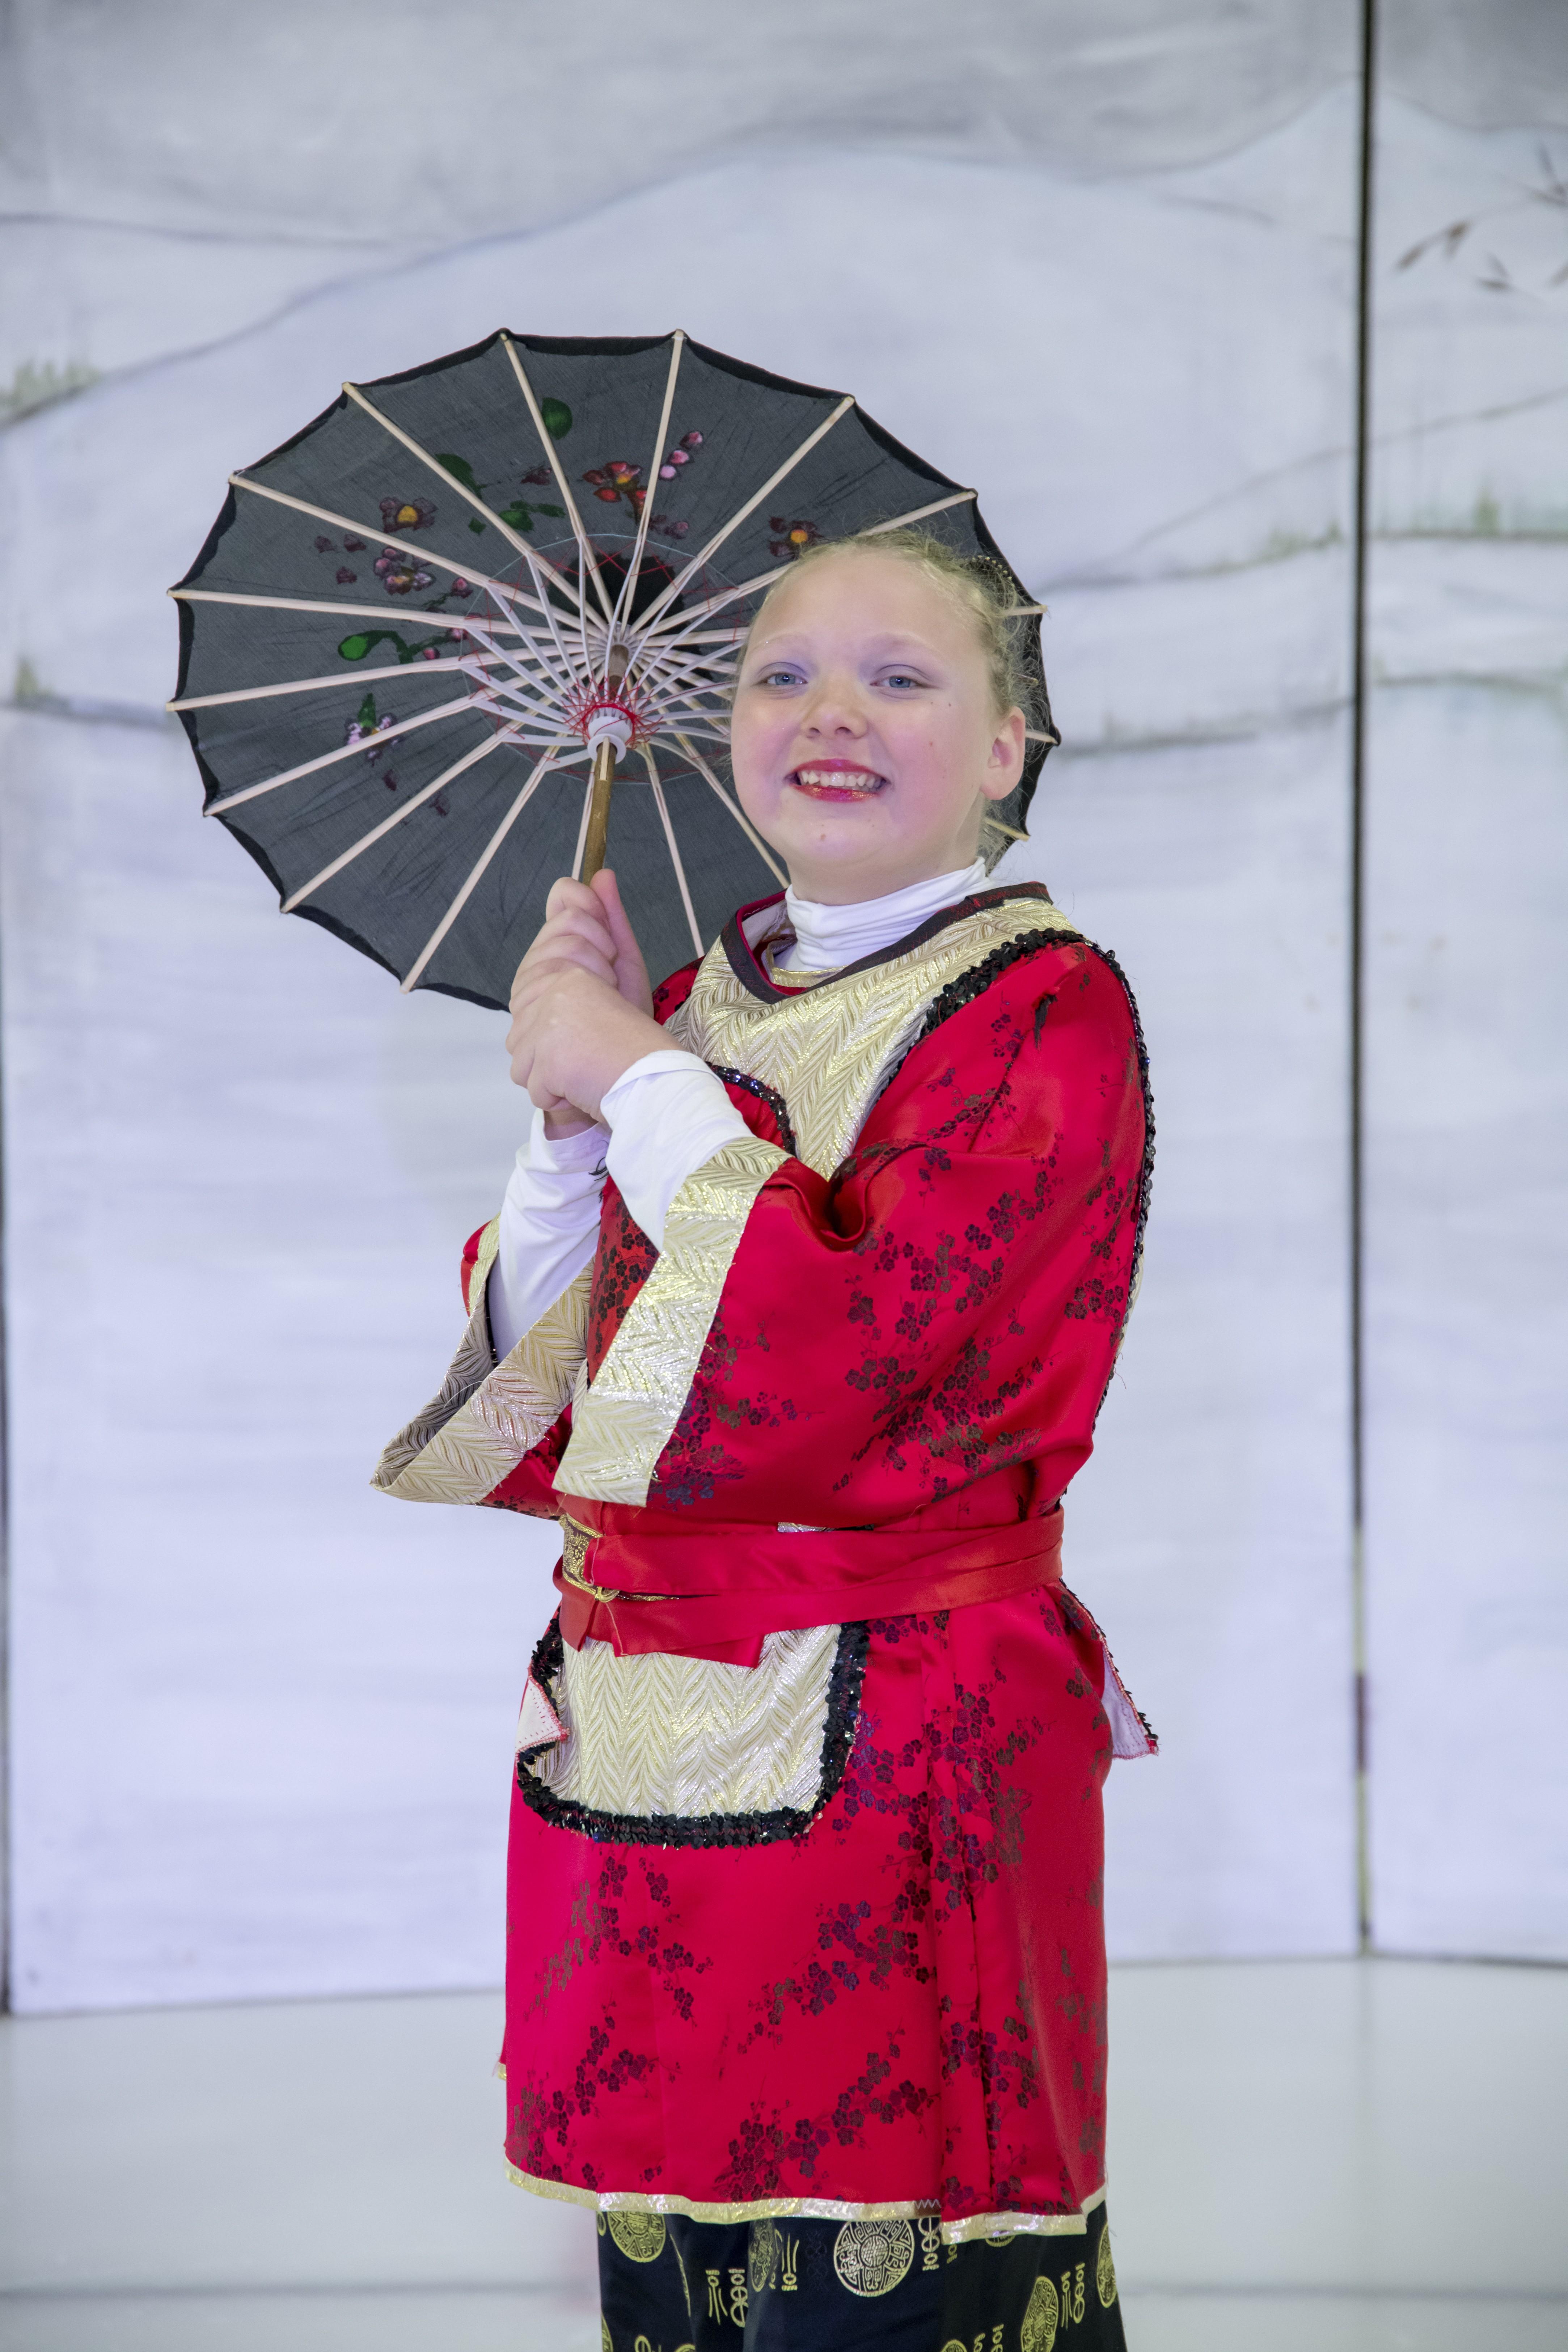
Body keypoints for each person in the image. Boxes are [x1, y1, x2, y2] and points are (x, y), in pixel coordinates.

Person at [376, 530, 1154, 2351]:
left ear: (1006, 744)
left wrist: (641, 1081)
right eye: (781, 676)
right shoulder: (701, 1000)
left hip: (903, 1746)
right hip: (644, 1735)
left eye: (900, 678)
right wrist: (571, 1122)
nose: (829, 715)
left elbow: (853, 1344)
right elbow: (582, 1400)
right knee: (681, 2263)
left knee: (885, 2260)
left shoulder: (1045, 1009)